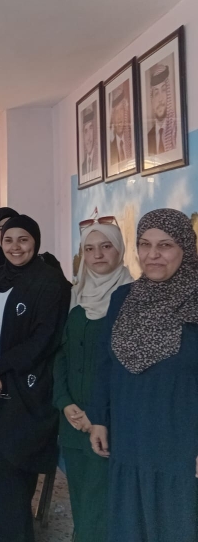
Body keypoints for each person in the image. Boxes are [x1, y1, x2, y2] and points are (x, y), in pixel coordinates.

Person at [88, 209, 198, 542]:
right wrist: (99, 419)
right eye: (145, 244)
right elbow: (106, 364)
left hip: (181, 442)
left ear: (185, 248)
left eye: (165, 245)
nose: (152, 254)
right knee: (130, 525)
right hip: (129, 437)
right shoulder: (123, 298)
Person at [0, 215, 71, 542]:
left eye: (23, 240)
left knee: (14, 467)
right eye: (8, 240)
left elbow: (44, 338)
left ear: (35, 242)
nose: (15, 247)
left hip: (29, 389)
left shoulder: (50, 282)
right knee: (7, 469)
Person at [53, 219, 132, 542]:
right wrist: (64, 403)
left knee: (103, 504)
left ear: (120, 250)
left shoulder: (133, 298)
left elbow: (127, 369)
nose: (98, 255)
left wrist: (99, 414)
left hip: (111, 422)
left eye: (106, 246)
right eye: (89, 249)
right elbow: (60, 355)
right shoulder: (75, 296)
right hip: (72, 420)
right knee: (81, 499)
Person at [146, 64, 177, 156]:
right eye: (156, 93)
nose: (160, 99)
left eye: (163, 90)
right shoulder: (147, 138)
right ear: (152, 100)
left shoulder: (176, 131)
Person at [107, 87, 133, 170]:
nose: (119, 117)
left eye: (121, 109)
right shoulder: (110, 150)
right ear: (112, 117)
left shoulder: (133, 142)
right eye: (115, 112)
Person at [81, 105, 99, 176]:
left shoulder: (98, 161)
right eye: (85, 131)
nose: (88, 138)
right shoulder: (82, 167)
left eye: (91, 128)